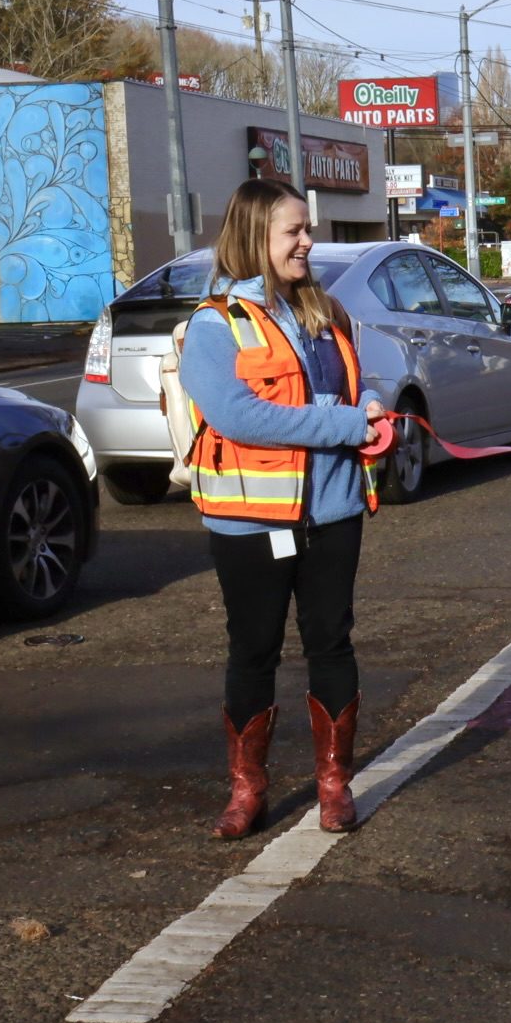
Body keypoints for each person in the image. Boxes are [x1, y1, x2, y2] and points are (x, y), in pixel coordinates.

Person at [178, 178, 387, 839]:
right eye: (293, 232)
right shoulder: (215, 326)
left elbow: (354, 388)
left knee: (332, 642)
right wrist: (347, 422)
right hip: (249, 521)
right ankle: (248, 790)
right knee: (253, 650)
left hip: (333, 513)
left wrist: (374, 413)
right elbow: (241, 416)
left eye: (307, 229)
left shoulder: (329, 312)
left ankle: (333, 785)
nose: (308, 242)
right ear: (253, 239)